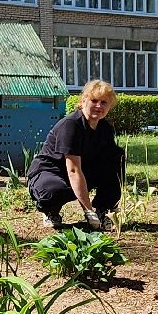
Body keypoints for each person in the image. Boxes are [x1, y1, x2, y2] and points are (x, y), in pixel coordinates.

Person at [27, 79, 122, 231]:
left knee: (116, 158)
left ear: (109, 106)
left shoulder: (106, 129)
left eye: (104, 102)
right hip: (51, 172)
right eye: (94, 100)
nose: (99, 106)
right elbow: (73, 171)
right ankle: (50, 211)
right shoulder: (71, 125)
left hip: (81, 170)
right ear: (83, 101)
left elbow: (108, 166)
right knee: (55, 192)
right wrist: (87, 211)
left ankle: (104, 210)